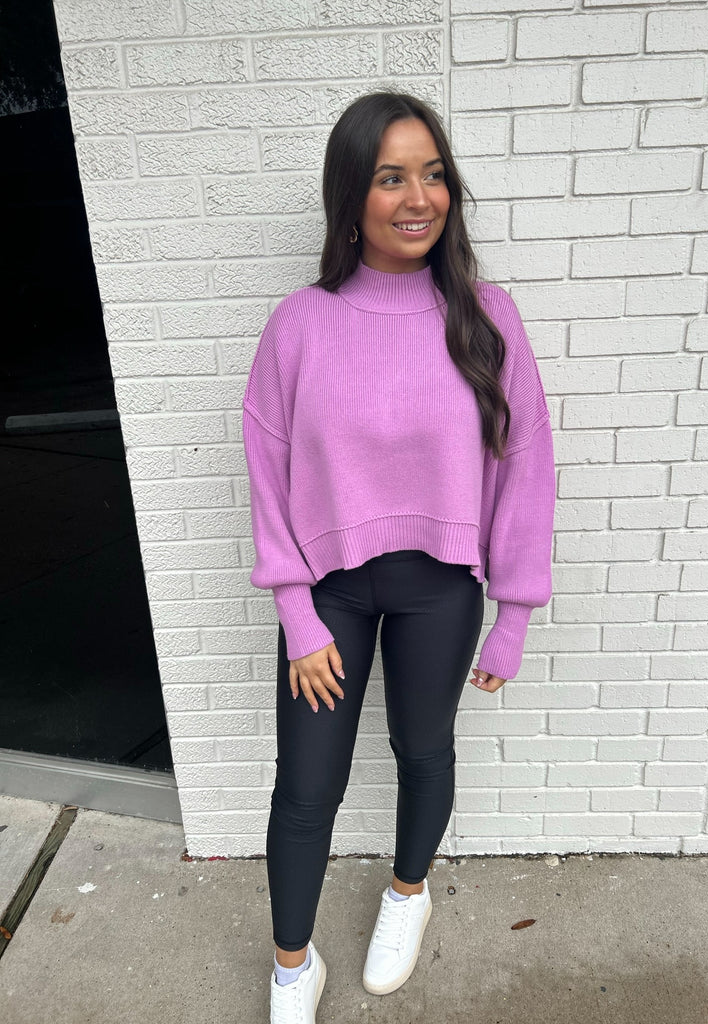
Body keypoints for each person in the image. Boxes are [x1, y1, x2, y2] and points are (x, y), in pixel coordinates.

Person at [242, 90, 555, 1024]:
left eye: (433, 175)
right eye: (391, 177)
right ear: (351, 197)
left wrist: (514, 614)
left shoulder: (487, 317)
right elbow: (266, 469)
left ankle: (407, 894)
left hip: (440, 591)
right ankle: (292, 968)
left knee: (423, 751)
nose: (419, 198)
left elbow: (527, 464)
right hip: (328, 598)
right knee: (306, 786)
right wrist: (296, 613)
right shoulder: (300, 324)